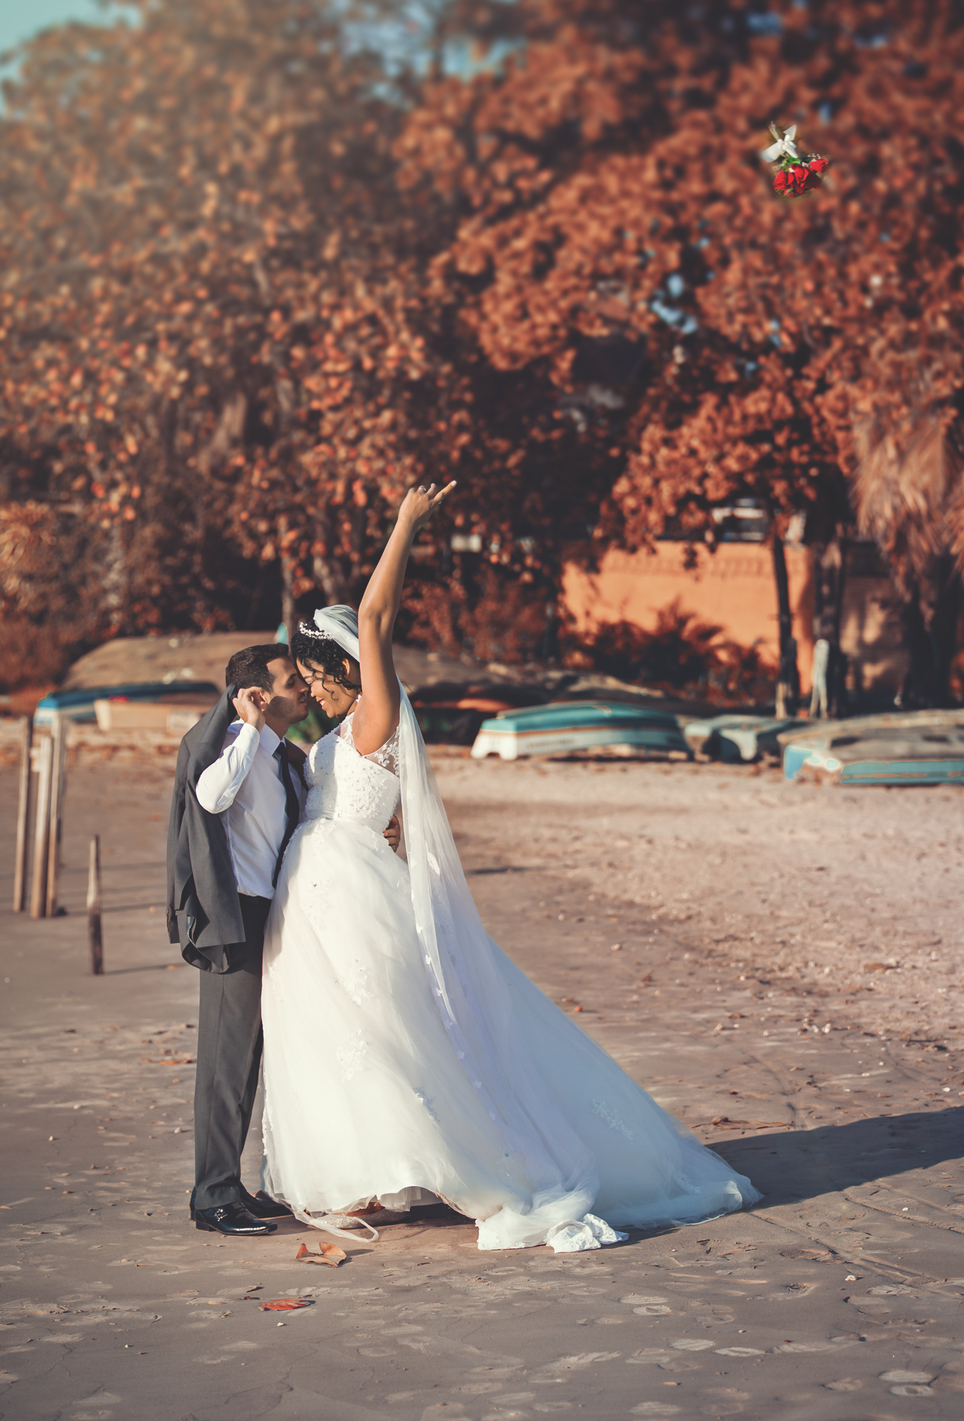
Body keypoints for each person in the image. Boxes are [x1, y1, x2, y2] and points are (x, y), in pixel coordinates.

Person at [259, 482, 759, 1252]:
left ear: (349, 669)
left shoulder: (376, 716)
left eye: (321, 673)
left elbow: (374, 617)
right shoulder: (328, 735)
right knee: (337, 1036)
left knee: (394, 1029)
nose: (315, 686)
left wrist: (405, 525)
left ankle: (471, 1163)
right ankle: (377, 1173)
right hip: (313, 893)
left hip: (354, 891)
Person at [166, 643, 398, 1236]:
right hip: (233, 918)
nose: (305, 689)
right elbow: (211, 797)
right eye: (293, 680)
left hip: (276, 916)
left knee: (252, 1060)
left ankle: (232, 1187)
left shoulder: (284, 758)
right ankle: (211, 1197)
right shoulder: (226, 747)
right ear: (259, 694)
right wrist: (244, 728)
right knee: (225, 1061)